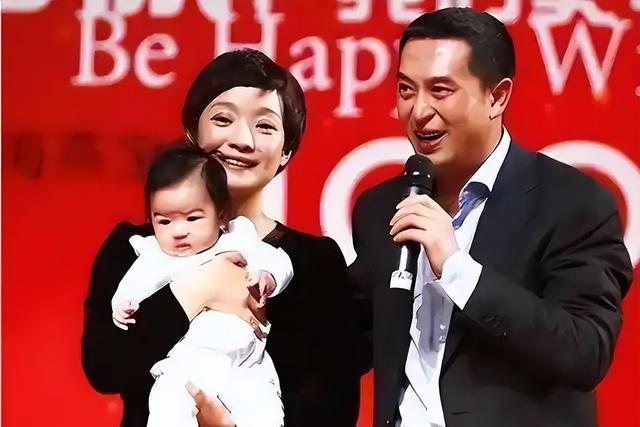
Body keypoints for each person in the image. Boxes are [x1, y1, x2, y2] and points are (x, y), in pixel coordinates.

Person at [349, 7, 633, 427]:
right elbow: (348, 341)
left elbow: (585, 350)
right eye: (406, 89)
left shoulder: (573, 203)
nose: (419, 110)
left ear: (497, 97)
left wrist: (457, 269)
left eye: (440, 90)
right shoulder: (380, 207)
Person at [82, 49, 360, 427]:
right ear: (192, 132)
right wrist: (200, 288)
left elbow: (334, 410)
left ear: (286, 151)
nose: (242, 139)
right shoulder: (135, 247)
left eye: (265, 126)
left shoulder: (314, 263)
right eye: (223, 119)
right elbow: (105, 367)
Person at [110, 145, 292, 427]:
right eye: (164, 221)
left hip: (247, 363)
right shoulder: (154, 255)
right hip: (189, 363)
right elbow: (132, 286)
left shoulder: (238, 237)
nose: (179, 231)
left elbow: (278, 260)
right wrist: (121, 305)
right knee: (168, 402)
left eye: (193, 218)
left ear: (221, 216)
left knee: (263, 409)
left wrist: (267, 277)